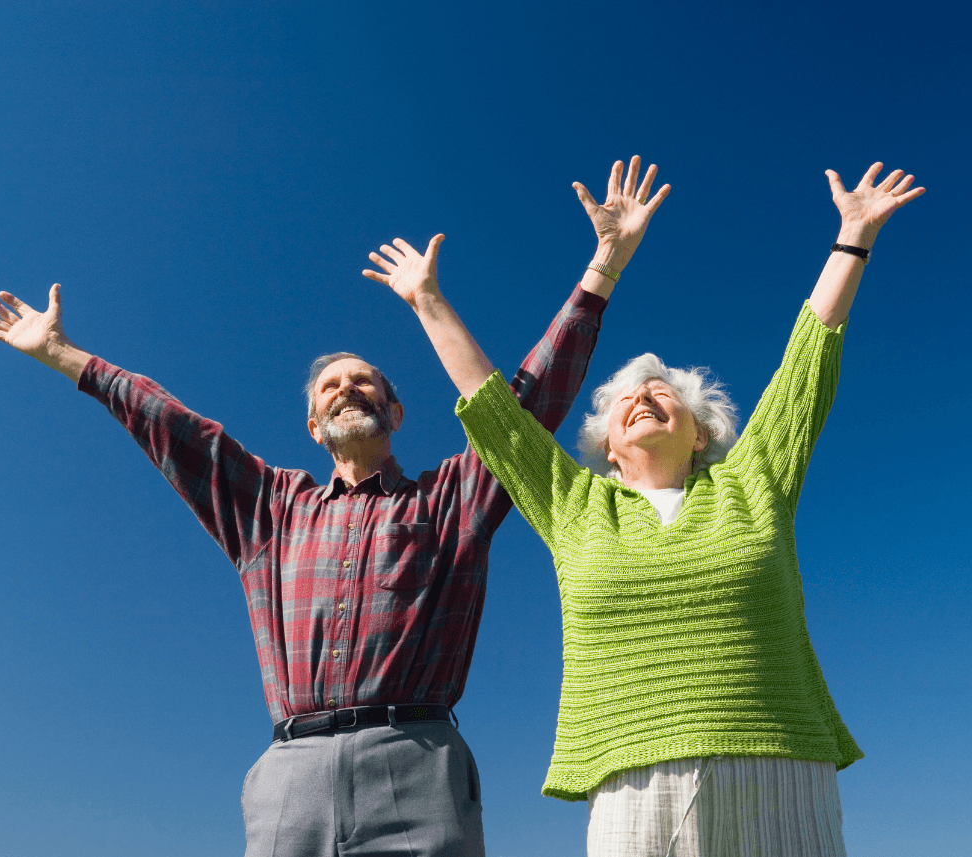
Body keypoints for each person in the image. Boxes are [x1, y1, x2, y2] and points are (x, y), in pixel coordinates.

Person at [0, 156, 669, 857]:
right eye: (332, 385)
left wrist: (601, 269)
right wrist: (67, 356)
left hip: (417, 762)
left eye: (366, 382)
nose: (348, 389)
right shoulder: (270, 509)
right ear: (312, 424)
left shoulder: (451, 499)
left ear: (396, 411)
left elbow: (524, 404)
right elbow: (175, 426)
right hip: (291, 780)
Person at [373, 162, 924, 856]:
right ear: (606, 442)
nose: (643, 395)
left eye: (665, 392)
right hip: (633, 783)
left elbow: (805, 363)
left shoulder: (754, 480)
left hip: (781, 766)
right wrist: (426, 297)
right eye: (624, 398)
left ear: (704, 432)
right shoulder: (575, 504)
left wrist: (853, 238)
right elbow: (493, 412)